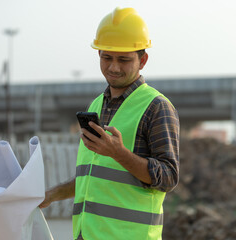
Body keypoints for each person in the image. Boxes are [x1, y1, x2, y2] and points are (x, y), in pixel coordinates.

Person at [39, 7, 180, 240]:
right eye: (107, 57)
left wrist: (119, 153)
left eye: (123, 60)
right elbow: (93, 177)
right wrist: (52, 195)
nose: (113, 67)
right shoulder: (95, 106)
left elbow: (168, 177)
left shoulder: (157, 107)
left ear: (142, 60)